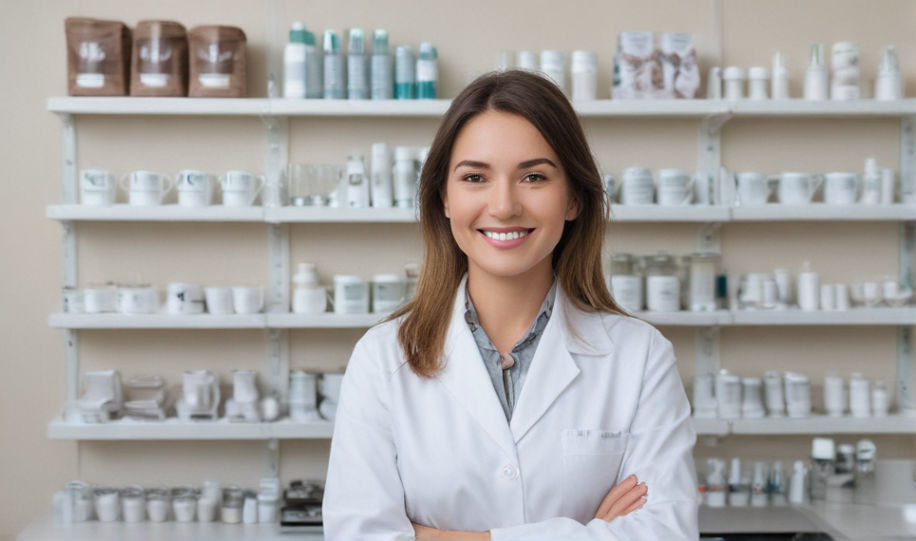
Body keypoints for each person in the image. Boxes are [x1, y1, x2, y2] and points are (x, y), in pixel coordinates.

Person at [322, 70, 699, 540]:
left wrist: (431, 535)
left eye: (534, 176)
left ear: (574, 199)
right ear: (444, 197)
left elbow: (666, 533)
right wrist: (588, 531)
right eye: (475, 177)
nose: (503, 206)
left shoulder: (641, 356)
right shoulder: (382, 358)